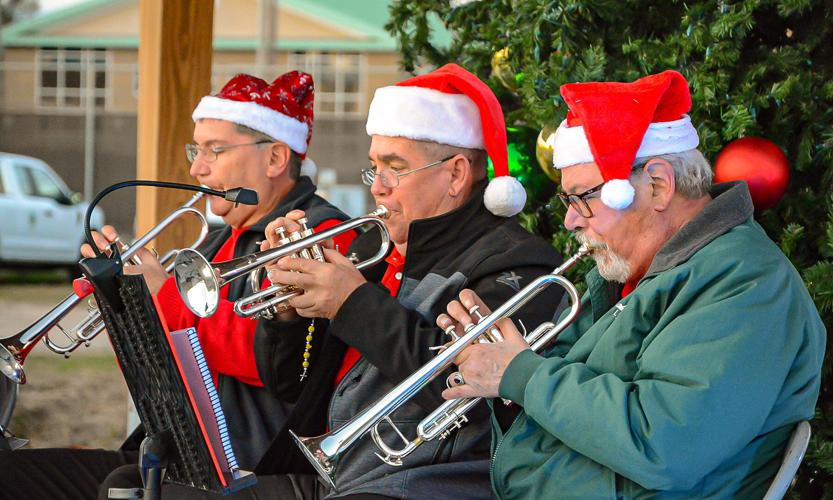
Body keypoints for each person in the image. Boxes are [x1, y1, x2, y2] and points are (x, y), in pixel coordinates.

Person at [438, 70, 826, 499]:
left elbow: (665, 445)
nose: (570, 220)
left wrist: (522, 375)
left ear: (658, 185)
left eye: (583, 197)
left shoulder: (745, 282)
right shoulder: (636, 273)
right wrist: (501, 360)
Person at [0, 71, 356, 499]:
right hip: (180, 452)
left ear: (276, 158)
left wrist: (164, 296)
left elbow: (272, 362)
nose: (196, 168)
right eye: (196, 149)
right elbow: (159, 372)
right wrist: (123, 301)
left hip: (248, 465)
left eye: (215, 150)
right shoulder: (216, 240)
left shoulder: (322, 235)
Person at [254, 63, 566, 499]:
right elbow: (290, 385)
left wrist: (351, 302)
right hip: (332, 475)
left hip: (424, 484)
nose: (377, 188)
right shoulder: (371, 246)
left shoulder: (519, 262)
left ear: (456, 173)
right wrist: (288, 314)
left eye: (394, 168)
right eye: (374, 168)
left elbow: (465, 389)